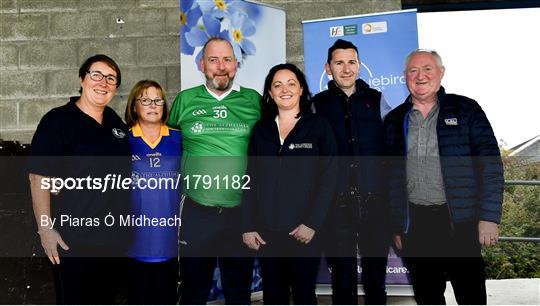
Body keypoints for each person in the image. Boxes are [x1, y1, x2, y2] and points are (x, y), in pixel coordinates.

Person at [384, 49, 504, 304]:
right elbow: (389, 179)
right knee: (427, 296)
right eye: (413, 70)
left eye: (427, 68)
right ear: (405, 77)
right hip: (415, 226)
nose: (420, 76)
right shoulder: (394, 120)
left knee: (471, 295)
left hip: (461, 223)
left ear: (441, 73)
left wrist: (489, 218)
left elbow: (491, 166)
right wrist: (396, 224)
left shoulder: (466, 109)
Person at [28, 54, 130, 304]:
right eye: (96, 75)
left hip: (113, 239)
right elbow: (38, 176)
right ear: (82, 80)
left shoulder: (116, 124)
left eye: (111, 78)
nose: (103, 82)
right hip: (72, 239)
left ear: (115, 88)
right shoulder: (57, 121)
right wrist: (45, 229)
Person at [168, 37, 261, 305]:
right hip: (197, 210)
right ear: (201, 65)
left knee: (238, 290)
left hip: (240, 212)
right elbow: (168, 146)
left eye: (227, 60)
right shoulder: (185, 100)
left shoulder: (252, 101)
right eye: (213, 60)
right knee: (193, 289)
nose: (221, 67)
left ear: (236, 64)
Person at [242, 63, 337, 304]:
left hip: (303, 232)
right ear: (270, 93)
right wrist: (248, 225)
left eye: (291, 83)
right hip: (266, 233)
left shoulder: (319, 126)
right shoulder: (261, 129)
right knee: (274, 296)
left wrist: (312, 223)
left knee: (304, 295)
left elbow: (329, 178)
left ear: (302, 89)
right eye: (278, 85)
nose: (285, 90)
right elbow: (249, 179)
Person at [312, 39, 391, 304]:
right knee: (342, 280)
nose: (346, 69)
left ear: (359, 65)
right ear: (328, 68)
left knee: (376, 279)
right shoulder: (316, 106)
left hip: (376, 204)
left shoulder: (377, 100)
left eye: (351, 62)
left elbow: (393, 149)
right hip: (336, 206)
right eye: (339, 63)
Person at [124, 80, 182, 304]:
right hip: (134, 240)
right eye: (145, 100)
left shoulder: (179, 138)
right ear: (134, 106)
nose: (153, 105)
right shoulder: (123, 139)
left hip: (170, 239)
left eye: (158, 100)